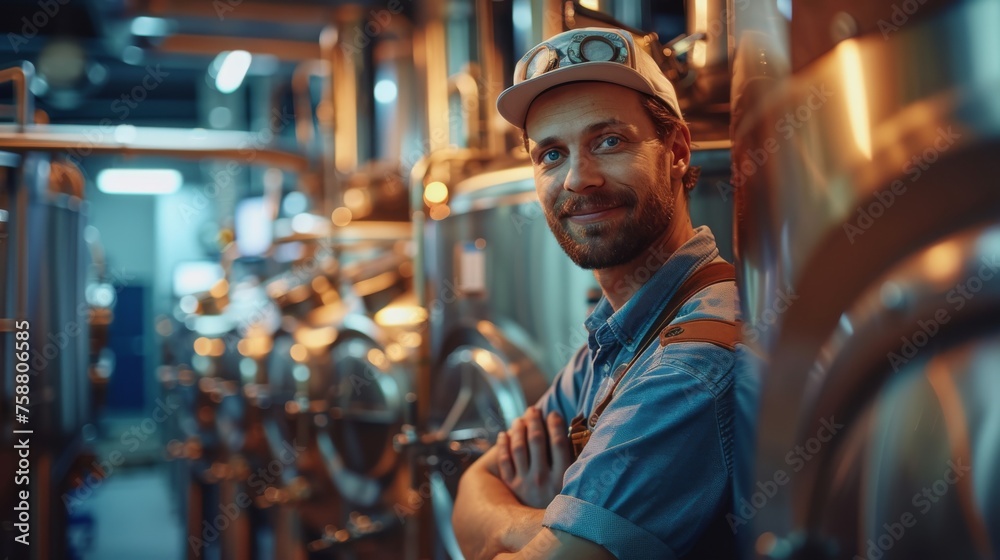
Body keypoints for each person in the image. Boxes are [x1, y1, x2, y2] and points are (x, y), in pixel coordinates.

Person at [451, 27, 744, 560]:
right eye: (551, 155)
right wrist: (548, 522)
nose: (578, 179)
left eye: (609, 142)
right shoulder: (615, 339)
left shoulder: (688, 363)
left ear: (676, 150)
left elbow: (487, 521)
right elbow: (469, 493)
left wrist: (546, 517)